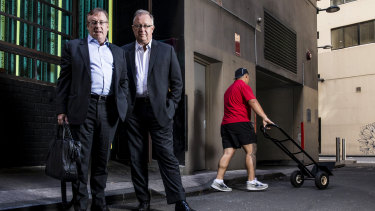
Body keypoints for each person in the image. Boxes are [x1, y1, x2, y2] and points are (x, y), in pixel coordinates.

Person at [56, 8, 128, 211]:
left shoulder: (118, 52)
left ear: (107, 26)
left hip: (109, 109)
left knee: (102, 159)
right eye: (93, 22)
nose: (98, 26)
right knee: (80, 160)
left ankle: (99, 202)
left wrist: (123, 104)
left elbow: (123, 81)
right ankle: (80, 204)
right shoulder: (73, 47)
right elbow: (64, 80)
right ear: (88, 26)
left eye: (102, 22)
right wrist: (61, 110)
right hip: (83, 109)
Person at [122, 9, 194, 211]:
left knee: (167, 156)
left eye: (146, 26)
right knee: (136, 158)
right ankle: (143, 202)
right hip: (134, 111)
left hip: (160, 112)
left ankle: (180, 201)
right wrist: (125, 109)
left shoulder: (166, 51)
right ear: (133, 28)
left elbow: (177, 84)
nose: (142, 30)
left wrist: (170, 109)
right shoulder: (124, 51)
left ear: (153, 28)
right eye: (138, 26)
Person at [211, 68, 274, 192]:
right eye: (248, 78)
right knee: (251, 151)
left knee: (227, 153)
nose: (248, 80)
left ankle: (218, 180)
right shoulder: (243, 85)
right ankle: (251, 181)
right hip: (240, 123)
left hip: (226, 124)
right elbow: (253, 101)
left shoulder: (228, 90)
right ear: (245, 76)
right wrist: (264, 117)